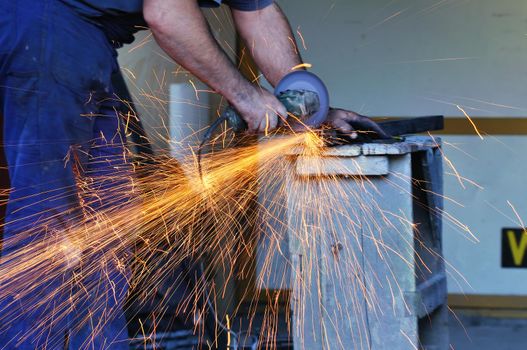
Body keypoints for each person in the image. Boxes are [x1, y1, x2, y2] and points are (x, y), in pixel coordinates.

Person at [0, 0, 387, 348]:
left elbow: (258, 13)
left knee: (112, 214)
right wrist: (245, 94)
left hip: (90, 40)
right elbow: (166, 12)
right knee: (51, 223)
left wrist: (312, 111)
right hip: (44, 27)